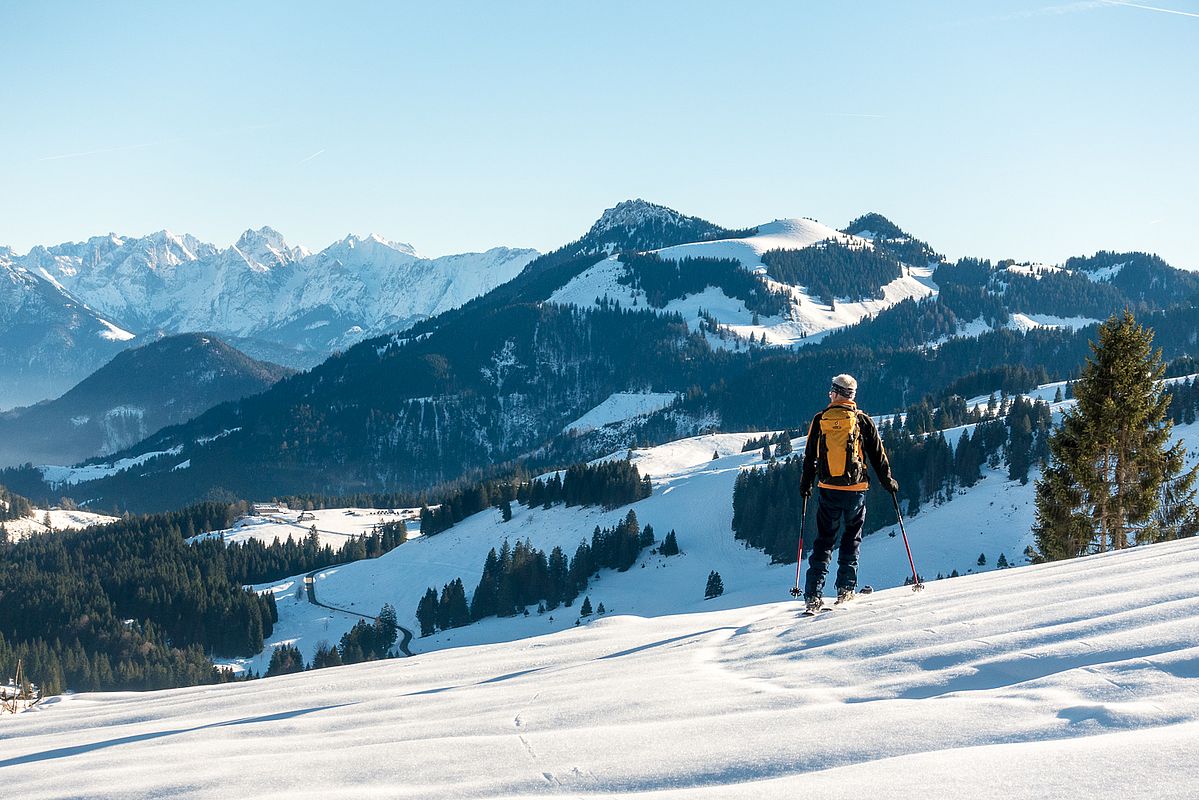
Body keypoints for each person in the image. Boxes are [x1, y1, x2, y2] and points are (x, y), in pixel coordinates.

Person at [798, 374, 898, 613]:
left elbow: (810, 456)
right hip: (856, 490)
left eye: (831, 391)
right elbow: (877, 456)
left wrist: (806, 485)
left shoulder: (820, 419)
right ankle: (845, 589)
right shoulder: (862, 420)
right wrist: (888, 482)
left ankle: (813, 594)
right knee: (851, 538)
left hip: (828, 489)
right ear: (852, 396)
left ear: (835, 393)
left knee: (824, 540)